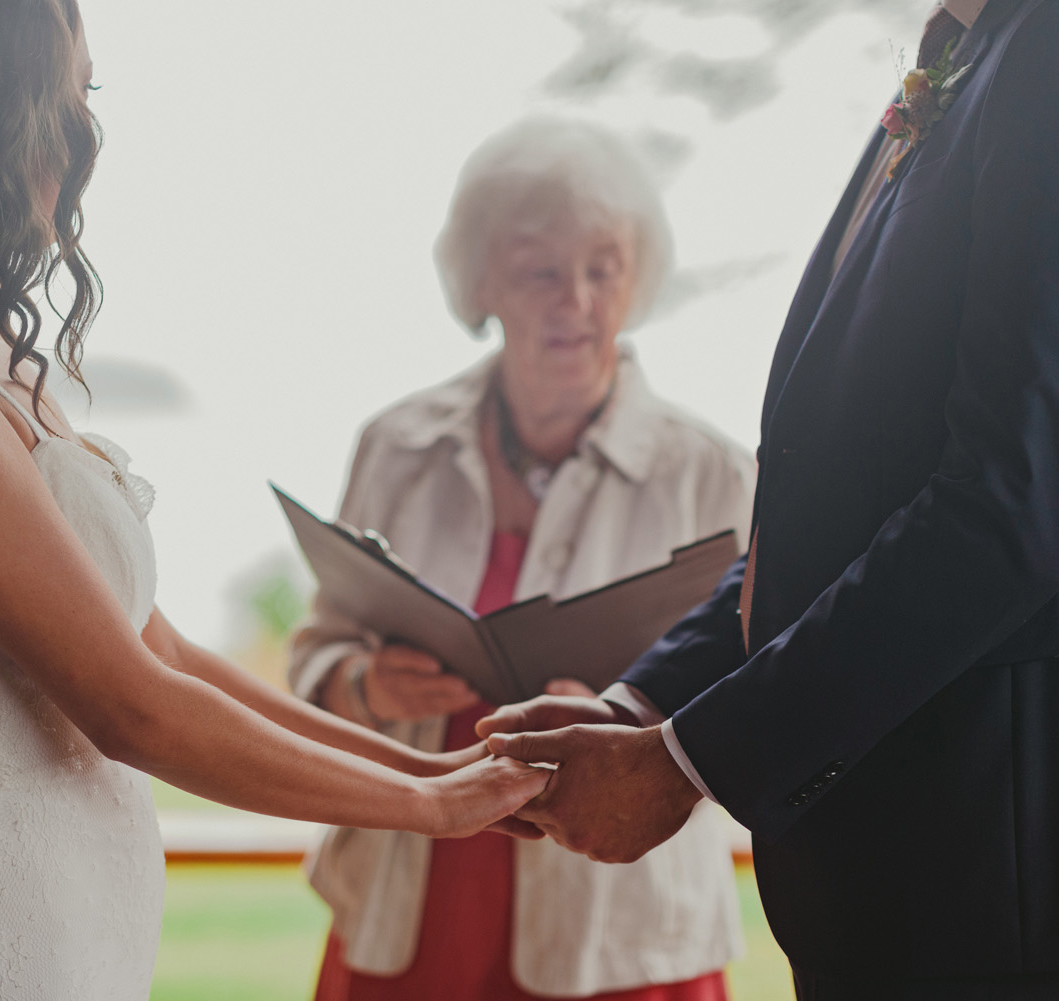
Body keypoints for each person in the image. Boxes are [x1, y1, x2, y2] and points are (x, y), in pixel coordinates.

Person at [0, 2, 550, 998]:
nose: (87, 132)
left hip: (77, 952)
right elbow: (130, 707)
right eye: (70, 94)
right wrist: (431, 813)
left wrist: (439, 771)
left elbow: (162, 650)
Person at [481, 1, 1059, 999]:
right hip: (909, 847)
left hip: (985, 853)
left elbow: (1005, 511)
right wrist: (649, 701)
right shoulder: (990, 44)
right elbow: (852, 487)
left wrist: (688, 760)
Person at [289, 117, 755, 1001]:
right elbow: (316, 652)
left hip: (623, 937)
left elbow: (764, 691)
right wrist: (366, 686)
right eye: (542, 270)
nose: (574, 300)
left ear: (638, 276)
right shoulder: (394, 446)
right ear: (483, 280)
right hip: (409, 915)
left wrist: (636, 717)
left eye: (602, 268)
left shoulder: (716, 471)